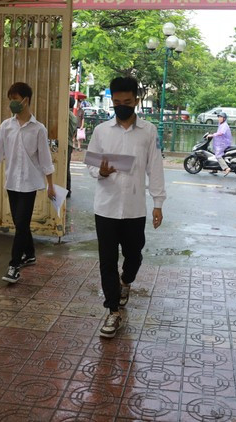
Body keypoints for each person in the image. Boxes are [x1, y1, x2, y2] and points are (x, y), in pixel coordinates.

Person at [87, 76, 166, 339]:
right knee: (107, 260)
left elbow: (155, 167)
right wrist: (100, 170)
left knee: (134, 256)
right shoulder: (101, 131)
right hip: (106, 207)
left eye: (127, 102)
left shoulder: (148, 131)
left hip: (134, 208)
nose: (122, 106)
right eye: (117, 102)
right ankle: (112, 311)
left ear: (136, 101)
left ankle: (126, 282)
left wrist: (158, 203)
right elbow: (90, 164)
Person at [0, 82, 56, 284]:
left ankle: (14, 265)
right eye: (10, 99)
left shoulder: (38, 129)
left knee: (21, 224)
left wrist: (50, 185)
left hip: (30, 184)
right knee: (19, 223)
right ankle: (29, 253)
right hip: (12, 181)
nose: (12, 103)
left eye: (15, 99)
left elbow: (45, 160)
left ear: (25, 100)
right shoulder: (6, 126)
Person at [67, 96, 79, 198]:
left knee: (64, 168)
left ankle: (66, 190)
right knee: (67, 167)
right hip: (70, 143)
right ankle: (68, 189)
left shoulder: (66, 115)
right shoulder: (74, 117)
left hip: (65, 143)